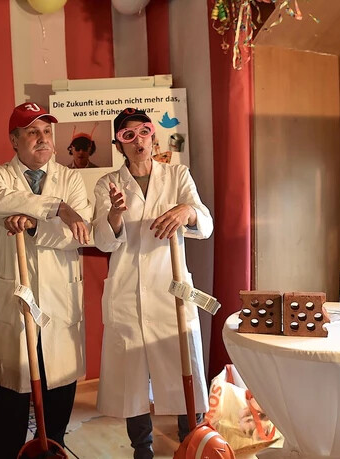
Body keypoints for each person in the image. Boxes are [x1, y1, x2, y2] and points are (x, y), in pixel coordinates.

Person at [92, 108, 213, 459]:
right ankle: (141, 449)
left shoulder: (177, 175)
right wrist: (115, 214)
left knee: (184, 371)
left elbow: (205, 223)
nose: (138, 141)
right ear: (119, 145)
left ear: (153, 137)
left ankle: (191, 445)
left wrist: (187, 211)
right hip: (128, 292)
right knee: (132, 381)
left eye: (143, 132)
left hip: (170, 290)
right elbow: (103, 240)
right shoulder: (107, 184)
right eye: (127, 136)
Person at [0, 102, 92, 458]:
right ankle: (3, 453)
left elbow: (77, 233)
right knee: (13, 386)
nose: (42, 139)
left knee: (59, 382)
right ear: (14, 140)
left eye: (46, 132)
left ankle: (52, 448)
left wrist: (32, 226)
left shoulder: (70, 178)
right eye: (32, 132)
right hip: (19, 293)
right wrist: (56, 209)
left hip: (60, 294)